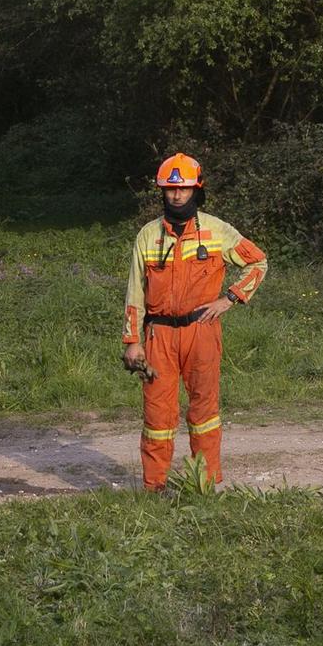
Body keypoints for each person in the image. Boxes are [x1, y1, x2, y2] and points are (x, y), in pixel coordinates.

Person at [121, 153, 268, 490]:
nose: (176, 195)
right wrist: (132, 341)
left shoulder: (217, 230)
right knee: (157, 416)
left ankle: (204, 484)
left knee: (204, 411)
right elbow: (134, 292)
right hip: (158, 336)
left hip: (202, 332)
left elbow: (258, 262)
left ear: (196, 190)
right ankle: (154, 487)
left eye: (184, 189)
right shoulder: (147, 236)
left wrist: (230, 297)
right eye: (171, 190)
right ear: (162, 192)